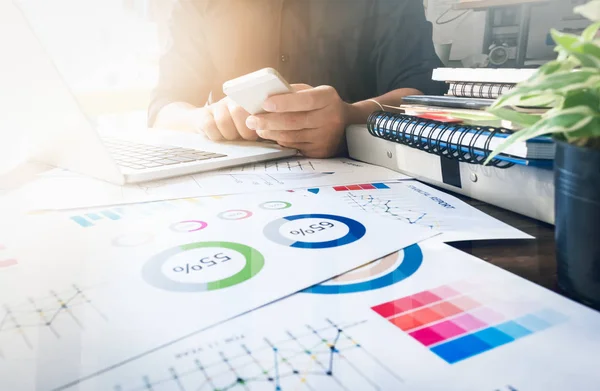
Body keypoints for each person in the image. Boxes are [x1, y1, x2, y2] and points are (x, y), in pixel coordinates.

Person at [149, 0, 447, 158]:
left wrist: (352, 119)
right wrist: (206, 119)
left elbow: (425, 92)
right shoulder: (196, 5)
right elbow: (163, 108)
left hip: (367, 182)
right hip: (233, 193)